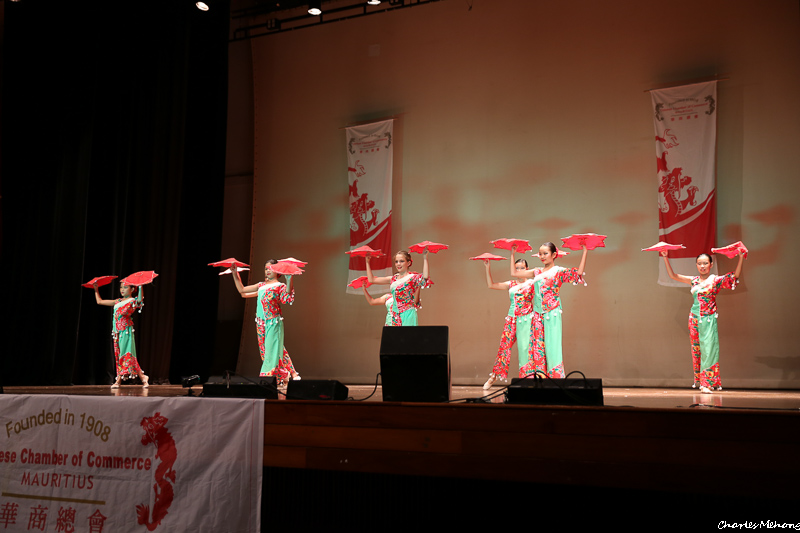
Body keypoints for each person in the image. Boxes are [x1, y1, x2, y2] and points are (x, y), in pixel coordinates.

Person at [661, 250, 744, 393]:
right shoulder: (693, 280)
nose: (702, 266)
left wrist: (741, 257)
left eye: (705, 263)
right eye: (699, 263)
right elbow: (673, 275)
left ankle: (708, 383)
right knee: (697, 350)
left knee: (709, 349)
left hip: (708, 318)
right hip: (694, 319)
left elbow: (734, 276)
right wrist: (665, 257)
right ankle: (702, 382)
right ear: (696, 265)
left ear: (711, 265)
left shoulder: (715, 280)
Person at [511, 242, 588, 378]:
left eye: (545, 253)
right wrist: (512, 253)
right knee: (538, 348)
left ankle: (556, 379)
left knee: (553, 347)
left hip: (552, 313)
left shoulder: (558, 271)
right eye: (540, 253)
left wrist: (585, 251)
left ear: (554, 255)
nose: (542, 256)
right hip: (537, 314)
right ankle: (540, 378)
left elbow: (579, 273)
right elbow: (514, 272)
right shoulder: (536, 271)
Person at [232, 260, 301, 385]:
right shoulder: (261, 286)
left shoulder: (280, 286)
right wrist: (234, 273)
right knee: (267, 352)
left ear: (277, 271)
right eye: (266, 268)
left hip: (273, 323)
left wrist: (289, 280)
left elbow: (286, 299)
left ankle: (266, 378)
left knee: (271, 351)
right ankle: (284, 373)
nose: (267, 270)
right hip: (261, 324)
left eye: (270, 268)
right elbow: (242, 291)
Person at [481, 258, 535, 389]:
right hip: (512, 319)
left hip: (527, 319)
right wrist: (487, 268)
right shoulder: (511, 284)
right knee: (504, 347)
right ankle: (494, 376)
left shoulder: (532, 283)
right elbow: (491, 285)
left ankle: (526, 379)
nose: (519, 270)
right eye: (517, 268)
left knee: (525, 349)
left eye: (522, 268)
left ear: (527, 269)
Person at [94, 281, 149, 388]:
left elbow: (139, 300)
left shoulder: (132, 301)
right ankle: (142, 377)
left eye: (125, 287)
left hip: (126, 331)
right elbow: (99, 302)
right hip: (117, 333)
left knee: (126, 354)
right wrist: (96, 289)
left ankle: (119, 380)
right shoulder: (118, 301)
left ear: (132, 289)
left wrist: (141, 286)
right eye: (121, 287)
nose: (122, 290)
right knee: (119, 355)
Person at [365, 250, 431, 326]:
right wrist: (367, 262)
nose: (398, 264)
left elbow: (425, 277)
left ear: (408, 263)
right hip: (395, 315)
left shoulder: (412, 277)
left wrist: (425, 258)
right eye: (396, 262)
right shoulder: (393, 279)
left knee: (408, 337)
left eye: (401, 261)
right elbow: (372, 280)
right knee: (396, 337)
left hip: (408, 314)